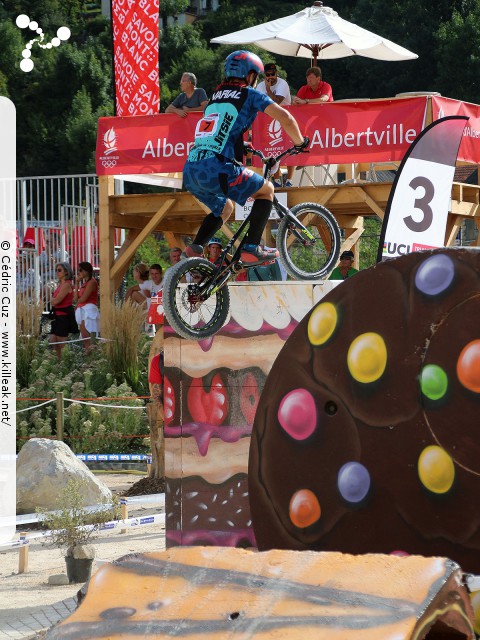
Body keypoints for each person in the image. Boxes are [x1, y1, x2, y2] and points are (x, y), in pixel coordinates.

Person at [182, 50, 308, 267]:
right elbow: (285, 117)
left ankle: (195, 248)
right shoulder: (249, 93)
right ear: (249, 75)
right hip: (217, 167)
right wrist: (300, 142)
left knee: (225, 208)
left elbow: (221, 128)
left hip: (191, 168)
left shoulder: (215, 95)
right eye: (256, 75)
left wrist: (244, 146)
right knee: (267, 189)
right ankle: (252, 247)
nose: (256, 79)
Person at [256, 63, 294, 187]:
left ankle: (289, 180)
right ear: (264, 76)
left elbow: (276, 102)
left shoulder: (282, 84)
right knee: (273, 151)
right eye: (268, 75)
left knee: (290, 149)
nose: (271, 77)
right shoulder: (260, 86)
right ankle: (277, 180)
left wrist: (268, 89)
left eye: (273, 74)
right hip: (269, 122)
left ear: (277, 73)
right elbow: (257, 104)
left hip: (285, 120)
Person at [49, 262, 78, 361]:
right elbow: (53, 300)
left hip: (63, 316)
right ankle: (58, 363)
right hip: (57, 315)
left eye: (59, 270)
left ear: (66, 271)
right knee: (53, 341)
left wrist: (53, 300)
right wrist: (53, 300)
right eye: (56, 270)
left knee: (61, 344)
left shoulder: (67, 284)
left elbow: (55, 300)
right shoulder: (60, 284)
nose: (57, 272)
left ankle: (63, 364)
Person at [73, 261, 100, 351]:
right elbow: (75, 298)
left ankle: (91, 356)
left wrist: (79, 301)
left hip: (88, 310)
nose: (79, 272)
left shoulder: (92, 282)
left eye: (80, 270)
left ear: (87, 271)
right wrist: (77, 283)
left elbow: (83, 299)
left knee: (89, 339)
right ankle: (88, 356)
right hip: (82, 310)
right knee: (85, 338)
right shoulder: (84, 284)